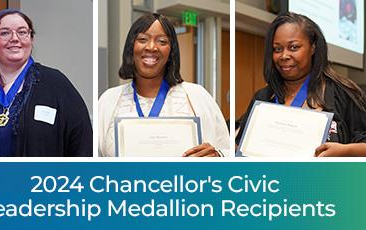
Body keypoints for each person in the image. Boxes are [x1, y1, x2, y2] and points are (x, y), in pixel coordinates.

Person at [0, 9, 92, 156]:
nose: (15, 38)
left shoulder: (56, 85)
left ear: (31, 39)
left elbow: (82, 144)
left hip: (37, 179)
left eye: (22, 32)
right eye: (5, 33)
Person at [236, 12, 366, 157]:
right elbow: (240, 147)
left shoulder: (343, 92)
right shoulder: (263, 97)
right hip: (268, 178)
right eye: (277, 49)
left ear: (313, 48)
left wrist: (346, 151)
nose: (284, 56)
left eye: (294, 47)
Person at [98, 13, 229, 157]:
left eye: (162, 41)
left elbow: (229, 153)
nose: (152, 47)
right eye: (143, 39)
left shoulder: (198, 96)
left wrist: (218, 156)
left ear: (171, 51)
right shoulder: (108, 100)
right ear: (131, 46)